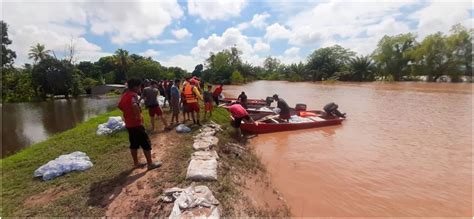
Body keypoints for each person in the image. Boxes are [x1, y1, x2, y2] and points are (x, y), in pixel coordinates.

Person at [118, 78, 161, 170]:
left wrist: (127, 113)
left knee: (133, 144)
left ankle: (136, 163)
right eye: (139, 87)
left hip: (129, 124)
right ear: (135, 87)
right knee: (146, 143)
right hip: (137, 124)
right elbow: (134, 104)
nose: (140, 89)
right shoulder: (133, 95)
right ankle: (150, 164)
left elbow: (120, 106)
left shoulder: (125, 95)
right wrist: (137, 115)